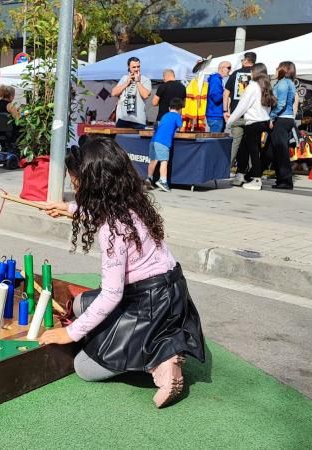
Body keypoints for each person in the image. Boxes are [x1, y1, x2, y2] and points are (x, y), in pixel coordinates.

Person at [39, 138, 205, 409]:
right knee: (80, 304)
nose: (75, 191)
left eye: (77, 186)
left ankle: (161, 362)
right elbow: (101, 211)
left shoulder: (112, 230)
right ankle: (162, 344)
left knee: (85, 367)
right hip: (172, 293)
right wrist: (70, 209)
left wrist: (70, 333)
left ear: (95, 187)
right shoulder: (131, 204)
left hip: (148, 306)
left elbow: (112, 294)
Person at [226, 63, 276, 191]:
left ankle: (256, 179)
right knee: (248, 149)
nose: (250, 74)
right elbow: (269, 106)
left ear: (256, 72)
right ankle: (245, 175)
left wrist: (230, 121)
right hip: (263, 122)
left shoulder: (252, 86)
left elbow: (242, 106)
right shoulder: (266, 86)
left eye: (252, 72)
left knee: (253, 152)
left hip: (253, 123)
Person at [224, 52, 256, 167]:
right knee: (253, 145)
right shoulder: (257, 74)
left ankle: (226, 169)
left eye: (242, 60)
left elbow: (226, 93)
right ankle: (253, 172)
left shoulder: (236, 74)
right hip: (252, 115)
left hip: (236, 114)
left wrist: (225, 111)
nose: (242, 62)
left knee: (235, 145)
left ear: (246, 60)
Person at [269, 61, 297, 190]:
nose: (275, 69)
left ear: (283, 70)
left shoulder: (283, 84)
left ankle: (285, 181)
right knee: (277, 150)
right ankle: (282, 179)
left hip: (281, 118)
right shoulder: (289, 83)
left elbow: (281, 104)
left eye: (278, 67)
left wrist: (271, 117)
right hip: (287, 118)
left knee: (281, 151)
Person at [148, 97, 184, 192]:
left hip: (154, 140)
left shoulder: (165, 115)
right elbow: (182, 129)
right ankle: (163, 180)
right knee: (164, 161)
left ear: (169, 108)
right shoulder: (177, 116)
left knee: (153, 160)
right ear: (180, 109)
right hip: (163, 142)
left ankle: (149, 179)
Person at [112, 57, 152, 129]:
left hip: (138, 120)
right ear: (129, 67)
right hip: (123, 119)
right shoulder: (124, 78)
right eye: (134, 67)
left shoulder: (146, 80)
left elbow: (145, 95)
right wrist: (126, 83)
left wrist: (138, 82)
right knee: (120, 139)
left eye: (138, 66)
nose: (136, 69)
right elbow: (114, 93)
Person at [206, 61, 231, 132]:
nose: (230, 70)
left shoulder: (218, 79)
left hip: (217, 115)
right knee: (215, 142)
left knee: (217, 141)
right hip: (215, 116)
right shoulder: (215, 80)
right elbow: (216, 98)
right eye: (228, 68)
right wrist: (226, 93)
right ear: (222, 68)